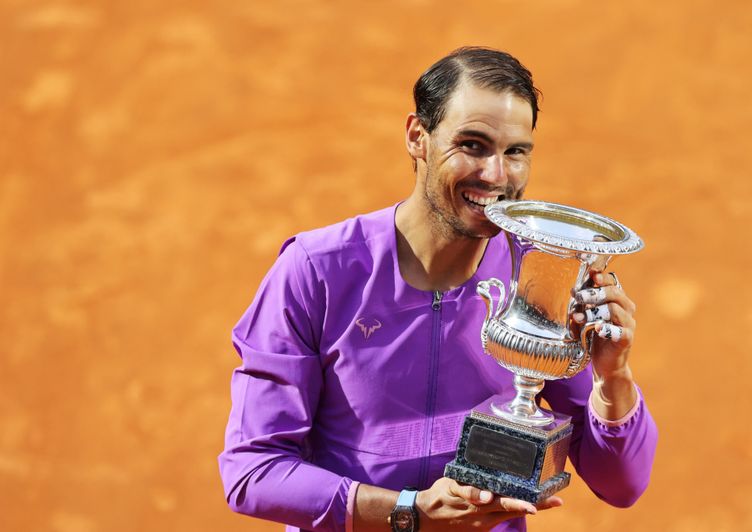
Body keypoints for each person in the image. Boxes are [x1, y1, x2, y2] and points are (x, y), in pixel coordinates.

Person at [219, 46, 657, 532]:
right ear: (417, 138)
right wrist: (409, 513)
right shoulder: (315, 271)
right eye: (472, 145)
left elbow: (622, 485)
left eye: (515, 152)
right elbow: (253, 471)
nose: (495, 176)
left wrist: (613, 377)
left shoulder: (542, 275)